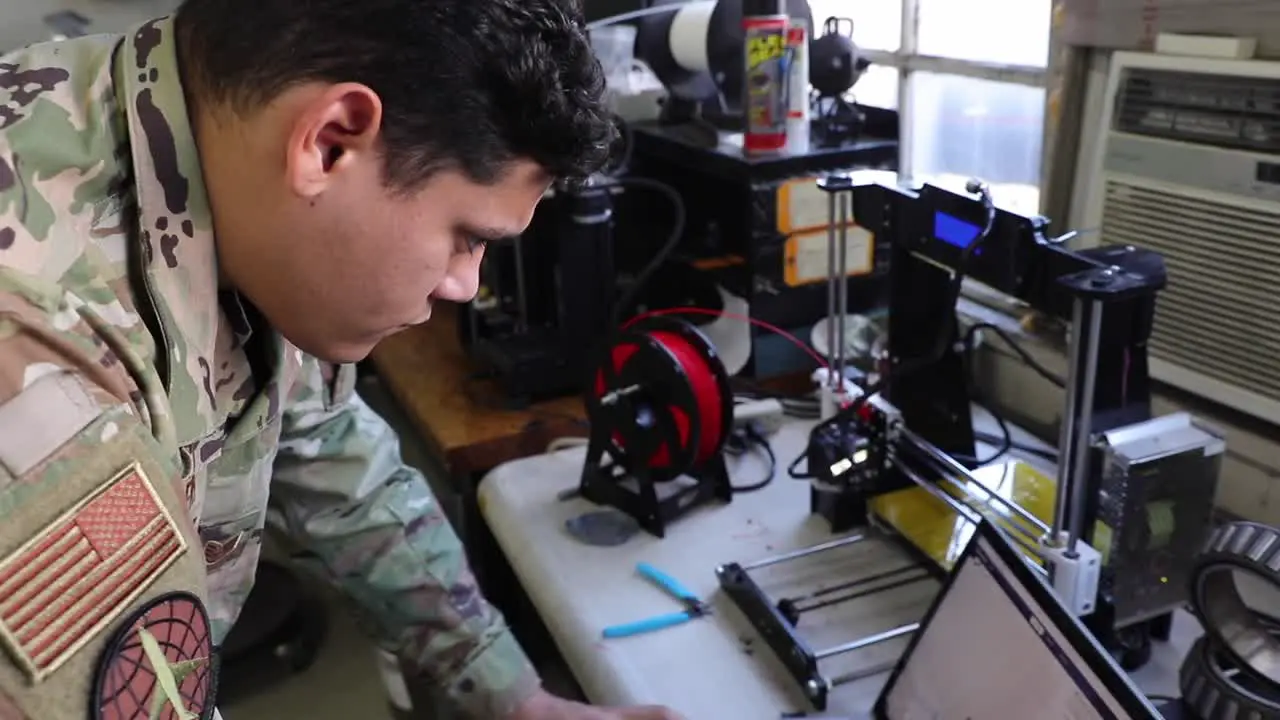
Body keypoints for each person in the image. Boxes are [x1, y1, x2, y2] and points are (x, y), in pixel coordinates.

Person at [0, 0, 683, 718]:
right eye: (466, 236)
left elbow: (330, 449)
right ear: (329, 142)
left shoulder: (221, 157)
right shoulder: (36, 354)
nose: (465, 285)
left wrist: (516, 699)